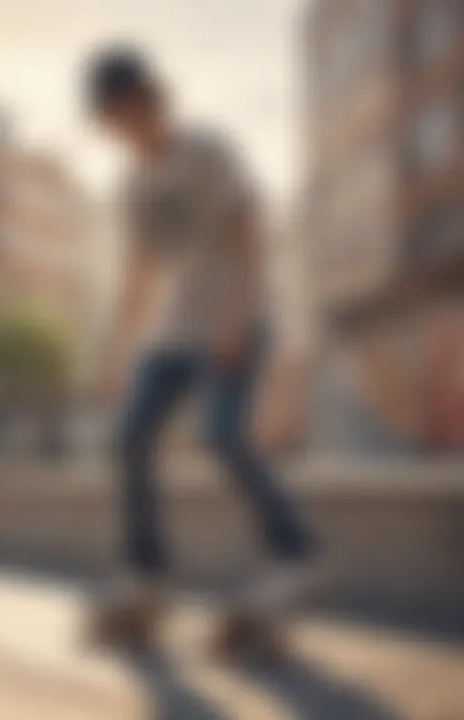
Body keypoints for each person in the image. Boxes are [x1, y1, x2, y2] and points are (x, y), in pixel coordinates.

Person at [86, 45, 318, 646]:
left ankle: (294, 555)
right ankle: (148, 575)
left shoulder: (206, 150)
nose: (127, 129)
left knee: (220, 434)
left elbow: (252, 230)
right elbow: (139, 277)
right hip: (173, 332)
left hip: (235, 317)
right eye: (114, 121)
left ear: (153, 100)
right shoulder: (133, 186)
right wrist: (115, 353)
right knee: (129, 436)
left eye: (132, 112)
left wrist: (239, 317)